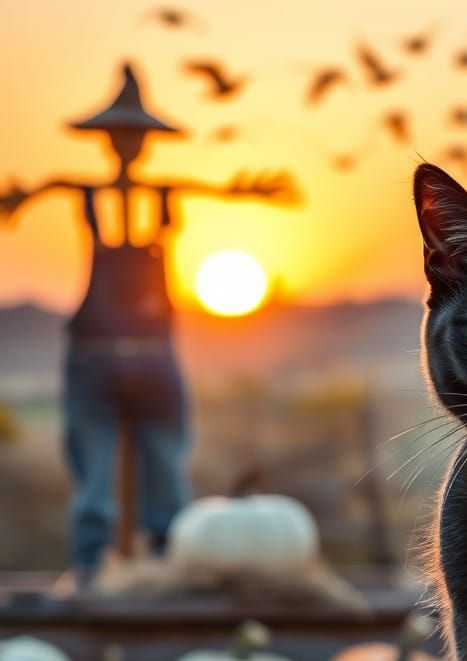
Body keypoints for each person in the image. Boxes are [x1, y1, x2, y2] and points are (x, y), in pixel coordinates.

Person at [0, 64, 295, 587]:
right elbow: (44, 188)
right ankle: (92, 577)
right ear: (107, 140)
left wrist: (252, 192)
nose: (127, 147)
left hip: (155, 354)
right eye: (120, 137)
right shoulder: (87, 195)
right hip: (94, 355)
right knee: (94, 481)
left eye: (134, 137)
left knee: (165, 470)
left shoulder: (164, 197)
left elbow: (221, 193)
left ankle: (168, 572)